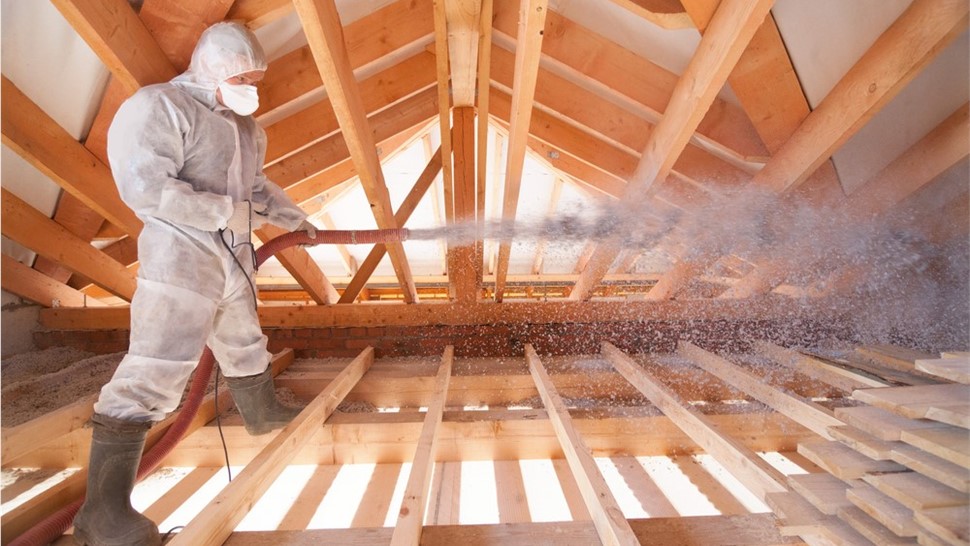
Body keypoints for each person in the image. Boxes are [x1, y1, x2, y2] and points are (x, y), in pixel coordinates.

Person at [73, 22, 315, 546]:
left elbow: (256, 190)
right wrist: (224, 211)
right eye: (244, 74)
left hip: (233, 257)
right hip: (180, 256)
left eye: (257, 77)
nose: (253, 84)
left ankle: (262, 412)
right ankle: (103, 512)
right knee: (158, 365)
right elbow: (146, 187)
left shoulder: (248, 129)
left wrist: (295, 219)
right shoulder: (159, 107)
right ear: (215, 67)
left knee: (245, 342)